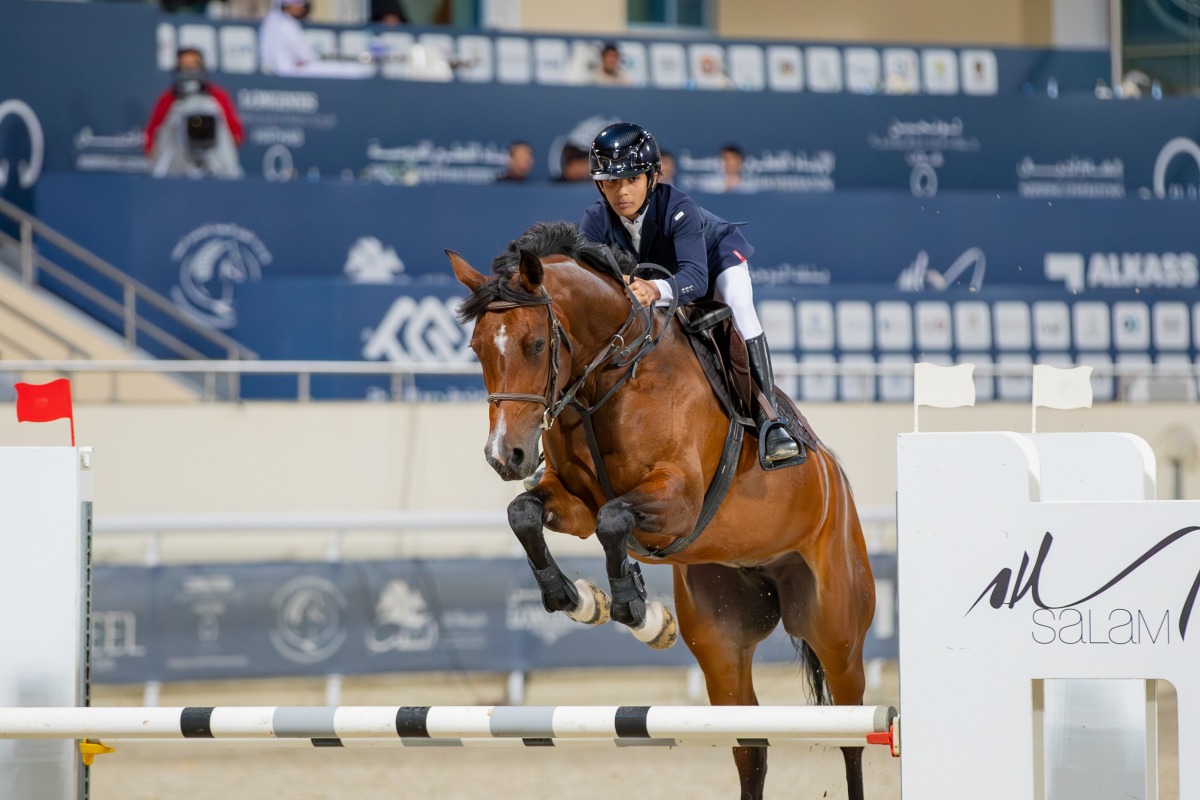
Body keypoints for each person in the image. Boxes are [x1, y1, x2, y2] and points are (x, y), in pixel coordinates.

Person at [580, 122, 800, 463]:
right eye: (610, 182)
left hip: (714, 262)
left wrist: (653, 289)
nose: (621, 192)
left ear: (652, 178)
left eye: (632, 180)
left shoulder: (679, 208)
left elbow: (696, 279)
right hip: (660, 279)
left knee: (739, 303)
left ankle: (771, 421)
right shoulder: (595, 220)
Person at [144, 48, 244, 178]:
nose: (189, 70)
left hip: (216, 166)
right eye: (184, 66)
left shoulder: (217, 97)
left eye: (193, 65)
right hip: (176, 171)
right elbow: (152, 137)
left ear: (201, 67)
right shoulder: (168, 100)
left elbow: (235, 134)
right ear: (177, 69)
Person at [260, 0, 373, 78]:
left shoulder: (274, 19)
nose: (301, 7)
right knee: (355, 70)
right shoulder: (284, 24)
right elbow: (307, 56)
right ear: (286, 5)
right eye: (296, 3)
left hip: (285, 69)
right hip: (288, 72)